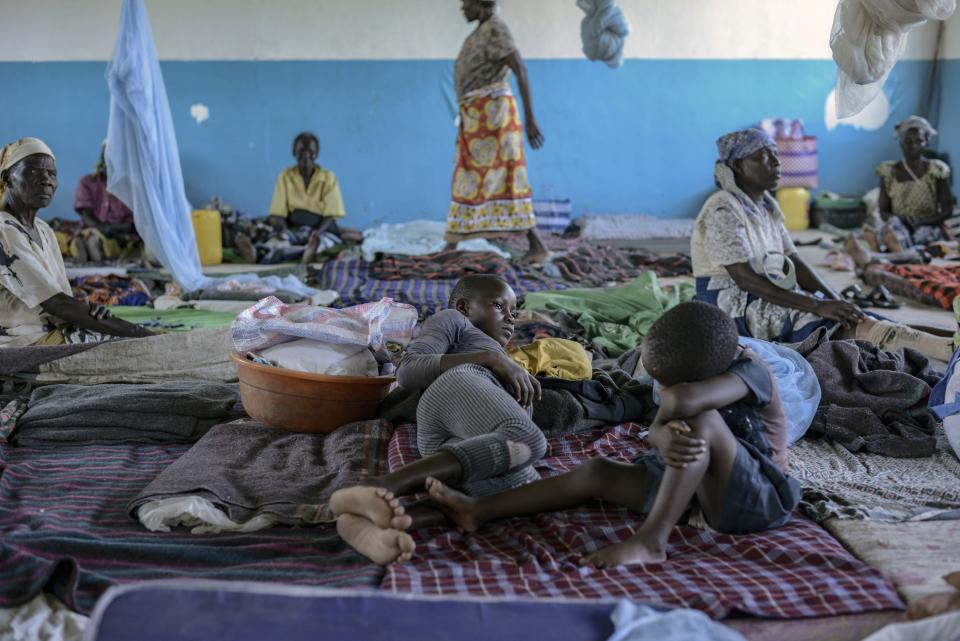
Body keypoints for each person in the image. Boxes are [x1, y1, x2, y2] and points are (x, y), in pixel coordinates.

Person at [425, 301, 801, 567]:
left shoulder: (751, 371)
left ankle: (652, 542)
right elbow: (656, 428)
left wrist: (672, 409)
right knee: (598, 472)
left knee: (700, 423)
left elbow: (683, 402)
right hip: (695, 487)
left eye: (668, 383)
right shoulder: (689, 382)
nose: (664, 391)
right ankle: (479, 511)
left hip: (754, 500)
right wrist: (662, 438)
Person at [330, 274, 549, 564]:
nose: (510, 319)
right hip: (453, 391)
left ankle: (378, 526)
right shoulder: (455, 321)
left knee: (526, 486)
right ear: (463, 306)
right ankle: (378, 484)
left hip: (459, 445)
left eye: (514, 312)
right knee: (529, 440)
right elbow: (408, 371)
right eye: (499, 306)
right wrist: (491, 359)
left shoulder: (503, 357)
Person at [691, 127, 954, 361]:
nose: (775, 162)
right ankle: (946, 349)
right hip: (731, 303)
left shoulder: (767, 207)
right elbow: (746, 280)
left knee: (856, 316)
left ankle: (951, 339)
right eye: (762, 156)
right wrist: (819, 305)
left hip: (767, 290)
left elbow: (795, 260)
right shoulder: (722, 209)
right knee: (831, 322)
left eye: (774, 154)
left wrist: (835, 299)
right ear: (738, 166)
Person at [0, 138, 153, 347]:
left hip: (55, 330)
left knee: (135, 338)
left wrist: (85, 311)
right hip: (23, 342)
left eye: (51, 173)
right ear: (7, 179)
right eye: (33, 172)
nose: (46, 180)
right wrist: (139, 333)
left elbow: (61, 298)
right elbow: (56, 303)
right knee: (141, 345)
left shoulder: (44, 230)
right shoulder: (4, 230)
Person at [444, 0, 549, 264]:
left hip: (494, 116)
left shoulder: (495, 29)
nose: (462, 9)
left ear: (481, 4)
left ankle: (537, 245)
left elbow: (520, 69)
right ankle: (450, 245)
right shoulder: (482, 31)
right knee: (469, 176)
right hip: (478, 117)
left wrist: (531, 118)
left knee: (506, 177)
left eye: (466, 3)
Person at [234, 132, 345, 265]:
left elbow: (331, 215)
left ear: (317, 153)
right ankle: (256, 252)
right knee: (280, 240)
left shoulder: (329, 178)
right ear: (294, 153)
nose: (306, 155)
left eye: (310, 151)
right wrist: (282, 230)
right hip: (296, 228)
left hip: (322, 228)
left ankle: (308, 251)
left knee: (323, 243)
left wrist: (317, 233)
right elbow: (278, 213)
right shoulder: (285, 176)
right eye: (300, 151)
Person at [867, 116, 954, 254]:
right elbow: (883, 211)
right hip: (899, 223)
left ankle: (899, 252)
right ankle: (897, 249)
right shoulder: (888, 171)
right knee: (893, 230)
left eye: (919, 141)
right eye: (908, 140)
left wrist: (921, 222)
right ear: (901, 143)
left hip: (927, 224)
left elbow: (947, 210)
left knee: (923, 236)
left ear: (927, 143)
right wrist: (901, 220)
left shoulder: (936, 170)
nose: (913, 145)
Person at [71, 141, 141, 262]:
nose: (108, 162)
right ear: (101, 158)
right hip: (92, 227)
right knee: (87, 234)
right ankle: (85, 245)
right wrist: (103, 229)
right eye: (106, 157)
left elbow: (133, 224)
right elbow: (86, 216)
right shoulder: (87, 182)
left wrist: (110, 230)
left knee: (116, 242)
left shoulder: (131, 188)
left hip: (119, 233)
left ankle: (95, 246)